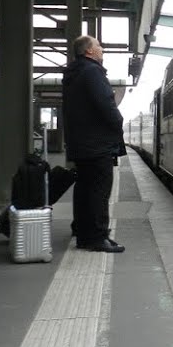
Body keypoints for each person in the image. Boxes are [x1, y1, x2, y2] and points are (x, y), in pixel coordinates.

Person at [63, 35, 126, 253]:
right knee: (99, 191)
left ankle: (82, 231)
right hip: (97, 144)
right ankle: (97, 237)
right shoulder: (92, 71)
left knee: (84, 189)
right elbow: (105, 103)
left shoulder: (74, 73)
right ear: (89, 51)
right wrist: (118, 122)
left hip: (81, 144)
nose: (102, 49)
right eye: (98, 46)